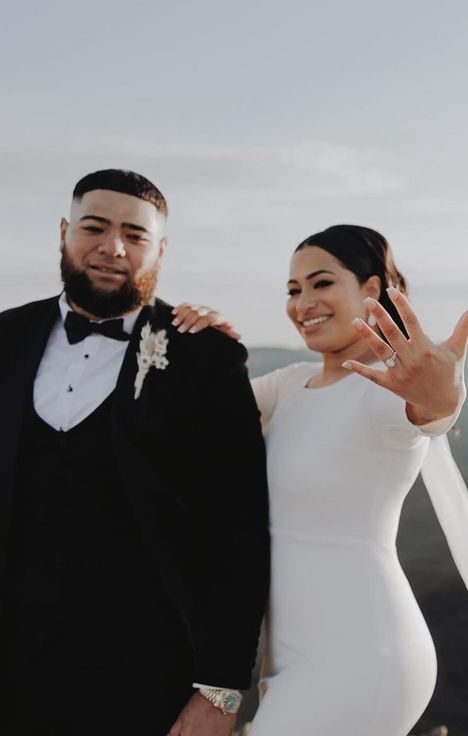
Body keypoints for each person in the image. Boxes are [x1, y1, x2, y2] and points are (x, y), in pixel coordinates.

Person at [173, 224, 468, 736]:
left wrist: (444, 395)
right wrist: (203, 339)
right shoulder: (289, 384)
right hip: (283, 661)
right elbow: (189, 410)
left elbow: (429, 412)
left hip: (361, 659)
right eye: (293, 289)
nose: (303, 301)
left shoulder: (382, 392)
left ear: (371, 291)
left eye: (322, 283)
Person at [0, 169, 269, 736]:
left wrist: (221, 691)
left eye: (135, 235)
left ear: (160, 249)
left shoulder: (205, 358)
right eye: (94, 227)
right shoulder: (5, 337)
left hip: (143, 674)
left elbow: (237, 530)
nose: (112, 247)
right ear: (63, 232)